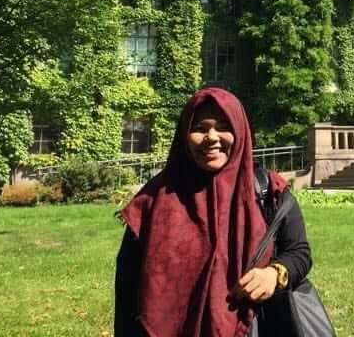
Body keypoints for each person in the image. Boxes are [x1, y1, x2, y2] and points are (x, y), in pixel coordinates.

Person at [115, 87, 312, 337]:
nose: (211, 137)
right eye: (199, 128)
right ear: (184, 135)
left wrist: (274, 274)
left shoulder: (267, 191)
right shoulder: (154, 200)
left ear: (240, 132)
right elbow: (127, 287)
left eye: (223, 126)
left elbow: (299, 252)